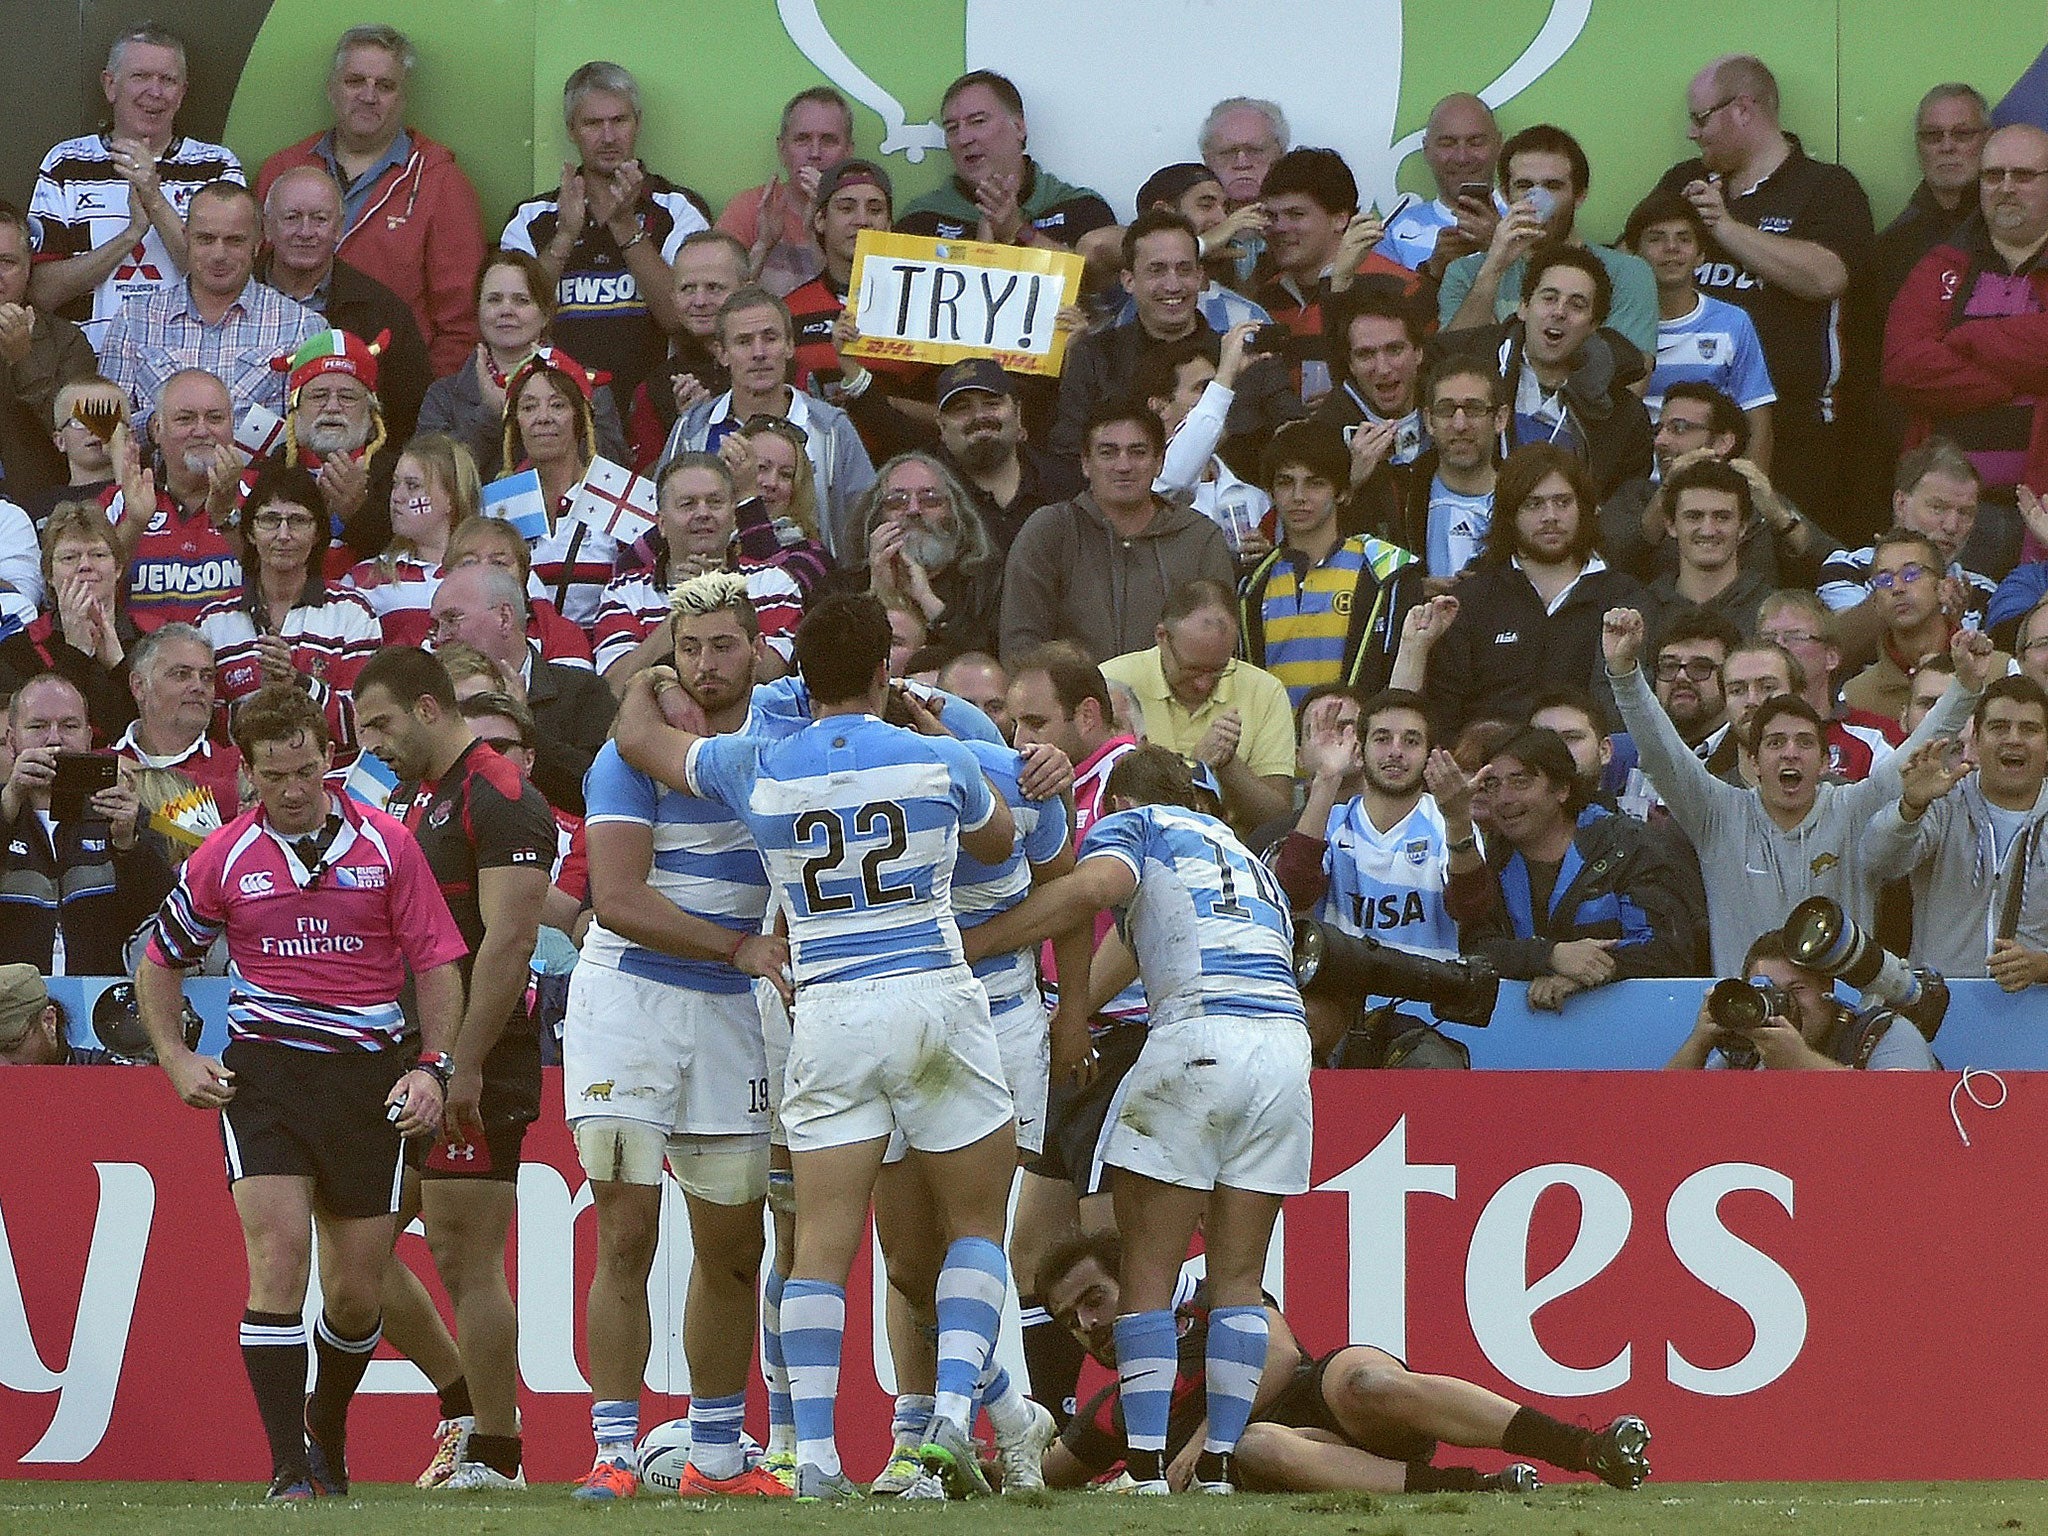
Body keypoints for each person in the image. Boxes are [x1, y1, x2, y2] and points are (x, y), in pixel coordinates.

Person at [609, 591, 1022, 1501]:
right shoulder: (938, 756)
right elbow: (999, 840)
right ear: (884, 670)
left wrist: (650, 674)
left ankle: (820, 1458)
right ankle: (949, 1421)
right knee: (974, 1225)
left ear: (790, 671)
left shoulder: (756, 766)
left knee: (819, 1245)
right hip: (932, 997)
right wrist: (937, 719)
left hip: (826, 1008)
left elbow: (639, 738)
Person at [133, 682, 467, 1500]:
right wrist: (176, 1058)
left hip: (365, 1077)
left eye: (309, 770)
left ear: (329, 760)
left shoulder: (387, 844)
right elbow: (159, 958)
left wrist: (434, 1066)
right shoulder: (223, 857)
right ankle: (287, 1469)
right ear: (245, 774)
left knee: (356, 1294)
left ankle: (328, 1423)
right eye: (276, 775)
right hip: (267, 1077)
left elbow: (434, 962)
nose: (294, 789)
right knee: (277, 1258)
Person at [955, 743, 1311, 1496]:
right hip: (1284, 1048)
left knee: (1147, 1270)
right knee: (1238, 1280)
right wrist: (1076, 1012)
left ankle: (1147, 1467)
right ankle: (1215, 1469)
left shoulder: (1138, 825)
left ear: (1115, 805)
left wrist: (978, 941)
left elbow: (1092, 891)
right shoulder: (1248, 861)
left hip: (1197, 1039)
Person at [560, 572, 786, 1499]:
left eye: (723, 646)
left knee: (734, 1246)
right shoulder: (626, 759)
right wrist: (740, 945)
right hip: (632, 1010)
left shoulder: (781, 747)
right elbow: (614, 900)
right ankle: (614, 1456)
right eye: (688, 648)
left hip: (731, 1018)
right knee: (627, 1233)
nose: (705, 665)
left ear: (758, 648)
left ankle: (718, 1458)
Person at [351, 646, 554, 1493]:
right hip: (414, 1054)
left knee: (465, 1257)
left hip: (479, 1060)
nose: (373, 744)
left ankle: (498, 1456)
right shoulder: (423, 799)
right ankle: (461, 1403)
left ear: (429, 708)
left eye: (381, 724)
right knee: (354, 1248)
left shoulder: (500, 796)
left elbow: (510, 942)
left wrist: (463, 1063)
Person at [1037, 1228, 1652, 1494]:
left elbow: (1276, 1353)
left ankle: (1581, 1448)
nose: (1088, 1327)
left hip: (1324, 1398)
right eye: (1070, 1322)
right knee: (1254, 1448)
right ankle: (1479, 1488)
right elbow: (1044, 1471)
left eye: (1096, 1301)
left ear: (1138, 1281)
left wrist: (1203, 1441)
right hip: (1296, 1450)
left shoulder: (1209, 1301)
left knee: (1367, 1379)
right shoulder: (1115, 1412)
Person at [1603, 603, 1989, 975]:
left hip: (1842, 1019)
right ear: (1754, 761)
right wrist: (1625, 675)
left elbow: (1915, 750)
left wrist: (1966, 689)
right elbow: (1661, 749)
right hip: (1750, 1018)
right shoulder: (1717, 814)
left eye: (1804, 742)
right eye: (1774, 744)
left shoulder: (1853, 806)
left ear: (1825, 761)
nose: (1790, 754)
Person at [1652, 54, 1874, 533]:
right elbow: (1630, 267)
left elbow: (1827, 277)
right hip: (1686, 434)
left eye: (1700, 118)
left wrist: (1725, 228)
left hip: (1799, 436)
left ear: (1743, 109)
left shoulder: (1827, 187)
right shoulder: (1682, 182)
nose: (1693, 132)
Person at [254, 23, 488, 376]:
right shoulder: (283, 170)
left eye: (385, 86)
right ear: (332, 89)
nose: (368, 95)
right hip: (273, 378)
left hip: (390, 386)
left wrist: (426, 406)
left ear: (404, 98)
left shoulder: (441, 182)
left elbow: (462, 324)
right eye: (354, 82)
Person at [1884, 122, 2048, 579]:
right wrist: (2015, 377)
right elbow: (1904, 368)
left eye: (2024, 176)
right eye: (1993, 176)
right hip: (1947, 518)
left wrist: (1968, 340)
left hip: (2042, 511)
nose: (2006, 189)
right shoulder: (1940, 264)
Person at [499, 61, 711, 414]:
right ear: (572, 129)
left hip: (658, 410)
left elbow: (680, 319)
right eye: (593, 124)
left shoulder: (679, 210)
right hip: (559, 414)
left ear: (638, 123)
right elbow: (513, 322)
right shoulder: (532, 219)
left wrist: (626, 225)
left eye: (619, 121)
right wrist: (565, 236)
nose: (609, 137)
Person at [1444, 727, 1699, 1010]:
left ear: (1562, 789)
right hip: (1524, 1033)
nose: (1503, 799)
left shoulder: (1628, 845)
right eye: (1492, 784)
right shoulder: (1494, 856)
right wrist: (1549, 956)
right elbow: (1477, 948)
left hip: (1632, 1023)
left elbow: (1667, 950)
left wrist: (1586, 975)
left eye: (1520, 782)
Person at [28, 23, 243, 352]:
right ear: (110, 85)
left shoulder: (216, 166)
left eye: (167, 80)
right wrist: (131, 235)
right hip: (89, 373)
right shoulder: (66, 163)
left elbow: (228, 280)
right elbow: (41, 292)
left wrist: (153, 200)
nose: (155, 92)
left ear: (182, 93)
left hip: (188, 368)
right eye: (140, 77)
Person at [1273, 688, 1464, 1047]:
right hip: (1340, 1007)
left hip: (1427, 1012)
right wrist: (1327, 779)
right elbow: (1292, 891)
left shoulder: (1444, 821)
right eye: (1382, 738)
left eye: (1411, 741)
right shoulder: (1330, 818)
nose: (1395, 751)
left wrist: (1460, 820)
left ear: (1429, 754)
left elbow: (1470, 907)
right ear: (1360, 750)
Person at [1423, 443, 1648, 733]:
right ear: (1509, 515)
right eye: (1534, 504)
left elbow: (1624, 709)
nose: (1550, 516)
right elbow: (1444, 713)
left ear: (1585, 509)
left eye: (1563, 502)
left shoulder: (1622, 596)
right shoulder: (1471, 599)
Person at [1050, 210, 1301, 462]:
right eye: (1156, 270)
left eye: (1184, 269)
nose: (1173, 285)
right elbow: (1068, 452)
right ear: (1128, 281)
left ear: (1200, 276)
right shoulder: (1095, 357)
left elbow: (1295, 441)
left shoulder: (1252, 362)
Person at [1001, 403, 1234, 664]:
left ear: (1159, 462)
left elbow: (1220, 640)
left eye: (1138, 452)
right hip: (1074, 700)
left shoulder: (1199, 537)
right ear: (1085, 463)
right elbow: (1020, 643)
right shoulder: (1050, 530)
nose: (1123, 466)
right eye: (1108, 453)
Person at [657, 285, 875, 561]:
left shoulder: (831, 428)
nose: (759, 353)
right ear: (722, 353)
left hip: (813, 590)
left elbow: (864, 525)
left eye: (770, 338)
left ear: (790, 345)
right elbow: (659, 517)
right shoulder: (692, 430)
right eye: (744, 341)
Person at [99, 180, 322, 434]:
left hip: (261, 473)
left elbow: (308, 436)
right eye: (205, 239)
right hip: (156, 472)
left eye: (234, 241)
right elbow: (107, 428)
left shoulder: (301, 326)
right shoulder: (135, 319)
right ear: (187, 238)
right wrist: (155, 426)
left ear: (257, 244)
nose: (219, 254)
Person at [1867, 674, 2048, 985]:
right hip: (1942, 1005)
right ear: (1975, 741)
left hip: (2037, 1011)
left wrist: (2043, 966)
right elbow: (1877, 861)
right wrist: (1911, 805)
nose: (2014, 739)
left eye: (2029, 729)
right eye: (1999, 727)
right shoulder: (1944, 802)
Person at [1441, 242, 1654, 502]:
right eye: (1549, 298)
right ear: (1523, 307)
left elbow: (1622, 514)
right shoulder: (1471, 376)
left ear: (1593, 325)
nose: (1560, 312)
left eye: (1577, 305)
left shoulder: (1625, 417)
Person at [195, 461, 380, 755]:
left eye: (298, 521)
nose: (283, 535)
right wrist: (262, 704)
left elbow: (364, 725)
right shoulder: (214, 620)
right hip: (242, 784)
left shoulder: (353, 612)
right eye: (269, 520)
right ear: (250, 533)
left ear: (318, 532)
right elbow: (205, 731)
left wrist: (298, 683)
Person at [1440, 124, 1658, 364]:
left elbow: (1630, 379)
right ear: (1504, 192)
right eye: (1524, 186)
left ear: (1580, 194)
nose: (1536, 199)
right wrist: (1494, 266)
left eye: (1553, 186)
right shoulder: (1466, 273)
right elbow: (1451, 365)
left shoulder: (1627, 273)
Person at [1240, 422, 1424, 705]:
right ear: (1270, 493)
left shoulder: (1385, 573)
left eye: (1315, 483)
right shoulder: (1250, 585)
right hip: (1275, 746)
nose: (1298, 496)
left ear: (1343, 493)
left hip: (1356, 742)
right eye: (1285, 482)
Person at [0, 670, 170, 972]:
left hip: (100, 1001)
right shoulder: (6, 807)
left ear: (89, 737)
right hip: (10, 1003)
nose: (54, 739)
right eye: (37, 726)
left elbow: (161, 915)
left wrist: (127, 844)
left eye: (69, 726)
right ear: (12, 739)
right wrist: (9, 802)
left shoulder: (122, 811)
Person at [591, 450, 803, 686]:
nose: (703, 513)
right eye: (688, 504)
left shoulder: (774, 583)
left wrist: (715, 598)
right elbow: (614, 689)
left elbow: (775, 674)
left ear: (734, 516)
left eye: (715, 502)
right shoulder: (624, 592)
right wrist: (685, 608)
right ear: (661, 523)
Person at [416, 251, 628, 483]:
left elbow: (613, 473)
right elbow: (430, 480)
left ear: (546, 314)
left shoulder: (590, 388)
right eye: (494, 299)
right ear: (478, 310)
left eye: (521, 300)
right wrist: (490, 417)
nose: (506, 310)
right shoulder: (442, 396)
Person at [1102, 579, 1295, 833]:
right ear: (1161, 637)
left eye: (1219, 670)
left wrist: (1228, 764)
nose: (1203, 684)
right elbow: (1095, 796)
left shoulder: (1264, 690)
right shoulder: (1113, 683)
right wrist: (1196, 769)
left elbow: (1278, 819)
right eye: (1191, 669)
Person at [257, 167, 430, 447]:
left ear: (339, 228)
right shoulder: (236, 295)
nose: (305, 232)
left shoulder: (382, 312)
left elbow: (408, 420)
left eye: (319, 219)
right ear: (266, 226)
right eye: (292, 218)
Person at [1598, 384, 1832, 589]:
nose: (1660, 441)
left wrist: (1780, 517)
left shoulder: (1762, 502)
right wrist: (1665, 495)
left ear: (1723, 442)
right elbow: (1605, 567)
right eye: (1658, 430)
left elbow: (1836, 569)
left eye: (1679, 428)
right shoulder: (1637, 496)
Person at [428, 560, 616, 815]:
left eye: (452, 619)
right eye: (436, 626)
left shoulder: (582, 691)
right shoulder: (427, 702)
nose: (440, 637)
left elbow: (601, 790)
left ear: (504, 618)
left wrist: (523, 727)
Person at [1619, 189, 1775, 461]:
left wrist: (1751, 497)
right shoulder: (1613, 324)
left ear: (1701, 255)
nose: (1671, 248)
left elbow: (1758, 426)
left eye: (1684, 239)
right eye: (1656, 239)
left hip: (1705, 487)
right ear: (1633, 254)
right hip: (1627, 488)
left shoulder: (1732, 322)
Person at [1251, 148, 1418, 402]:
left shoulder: (1399, 287)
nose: (1280, 228)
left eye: (1296, 214)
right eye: (1271, 216)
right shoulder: (1266, 296)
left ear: (1340, 219)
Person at [897, 70, 1116, 251]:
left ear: (1019, 127)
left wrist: (1018, 230)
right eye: (952, 128)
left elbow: (1096, 287)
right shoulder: (921, 220)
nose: (963, 138)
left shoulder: (1080, 209)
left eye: (978, 121)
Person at [1664, 930, 1936, 1070]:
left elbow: (1905, 1112)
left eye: (1796, 988)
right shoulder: (1749, 1049)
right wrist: (1699, 1043)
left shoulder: (1883, 1033)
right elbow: (1659, 1112)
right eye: (1764, 990)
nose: (1781, 1001)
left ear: (1828, 991)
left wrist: (1800, 1062)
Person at [499, 348, 628, 625]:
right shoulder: (497, 507)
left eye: (557, 405)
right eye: (529, 407)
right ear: (515, 422)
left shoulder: (620, 497)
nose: (543, 417)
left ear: (580, 419)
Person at [109, 369, 242, 632]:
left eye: (215, 418)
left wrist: (227, 514)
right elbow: (92, 587)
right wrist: (135, 523)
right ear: (157, 429)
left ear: (232, 426)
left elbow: (281, 583)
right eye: (185, 419)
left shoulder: (264, 493)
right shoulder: (119, 500)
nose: (202, 430)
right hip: (141, 657)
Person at [1843, 529, 2008, 731]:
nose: (1897, 588)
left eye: (1911, 574)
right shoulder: (1856, 696)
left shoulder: (2000, 671)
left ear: (1944, 588)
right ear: (1875, 602)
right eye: (1884, 580)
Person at [1138, 327, 1275, 563]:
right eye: (1203, 389)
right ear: (1160, 406)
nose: (1220, 402)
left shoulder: (1255, 497)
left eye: (1217, 389)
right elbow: (1175, 478)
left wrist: (1267, 561)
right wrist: (1225, 374)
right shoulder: (1146, 483)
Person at [269, 326, 404, 561]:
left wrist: (357, 511)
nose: (332, 407)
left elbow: (405, 550)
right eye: (319, 395)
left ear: (372, 412)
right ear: (295, 408)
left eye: (347, 397)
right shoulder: (273, 471)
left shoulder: (398, 472)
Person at [858, 450, 1004, 664]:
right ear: (877, 517)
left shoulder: (987, 585)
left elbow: (989, 664)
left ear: (955, 515)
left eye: (931, 500)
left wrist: (929, 602)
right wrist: (876, 596)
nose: (914, 510)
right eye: (897, 502)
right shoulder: (843, 585)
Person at [0, 204, 97, 506]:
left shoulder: (67, 341)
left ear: (29, 267)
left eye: (6, 262)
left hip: (41, 511)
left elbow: (88, 440)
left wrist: (24, 360)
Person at [931, 358, 1078, 555]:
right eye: (962, 408)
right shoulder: (924, 497)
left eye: (992, 403)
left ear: (1018, 414)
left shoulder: (1069, 485)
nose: (979, 416)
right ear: (942, 426)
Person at [344, 433, 479, 646]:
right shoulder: (364, 578)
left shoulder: (493, 569)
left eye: (412, 486)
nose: (397, 496)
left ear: (451, 498)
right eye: (395, 484)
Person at [625, 232, 745, 470]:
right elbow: (645, 489)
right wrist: (685, 433)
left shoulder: (776, 366)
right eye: (688, 289)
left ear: (745, 290)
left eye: (714, 287)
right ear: (673, 296)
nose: (699, 301)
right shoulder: (656, 387)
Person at [717, 86, 854, 295]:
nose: (815, 153)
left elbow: (858, 303)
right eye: (802, 139)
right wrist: (763, 246)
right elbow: (715, 300)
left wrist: (819, 225)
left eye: (828, 140)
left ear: (848, 152)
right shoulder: (749, 207)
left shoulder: (863, 215)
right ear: (782, 150)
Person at [1756, 588, 1902, 782]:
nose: (1779, 647)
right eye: (1768, 640)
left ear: (1831, 658)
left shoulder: (1877, 737)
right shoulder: (1737, 735)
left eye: (1794, 637)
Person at [442, 513, 598, 670]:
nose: (484, 571)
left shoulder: (561, 635)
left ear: (524, 574)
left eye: (498, 563)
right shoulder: (435, 634)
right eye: (469, 563)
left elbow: (573, 692)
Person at [1638, 458, 1774, 639]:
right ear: (1670, 525)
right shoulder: (1639, 613)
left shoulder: (1775, 614)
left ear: (1742, 527)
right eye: (1694, 517)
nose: (1708, 530)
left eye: (1722, 517)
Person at [113, 621, 239, 812]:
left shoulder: (236, 766)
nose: (198, 686)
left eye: (207, 677)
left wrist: (137, 776)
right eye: (181, 674)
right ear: (139, 686)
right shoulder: (101, 763)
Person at [1376, 94, 1504, 279]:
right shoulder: (1395, 231)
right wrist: (1432, 271)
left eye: (1476, 142)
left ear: (1499, 145)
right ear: (1426, 150)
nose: (1462, 157)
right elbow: (1385, 305)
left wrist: (1500, 244)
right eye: (1447, 144)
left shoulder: (1524, 219)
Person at [1200, 96, 1288, 211]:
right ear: (1207, 160)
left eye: (1255, 150)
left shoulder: (1311, 220)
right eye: (1227, 152)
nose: (1242, 163)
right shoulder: (1184, 225)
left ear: (1280, 154)